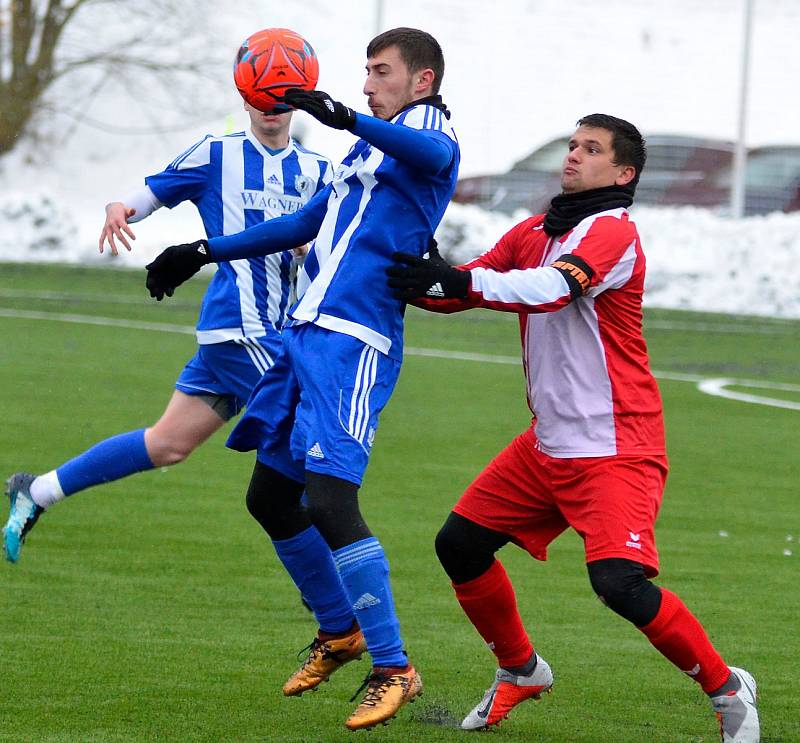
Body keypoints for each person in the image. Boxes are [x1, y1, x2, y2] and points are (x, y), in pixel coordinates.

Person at [386, 114, 759, 742]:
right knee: (459, 546)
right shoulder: (534, 230)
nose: (574, 157)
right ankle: (521, 670)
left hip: (617, 445)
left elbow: (555, 289)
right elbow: (466, 289)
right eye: (572, 146)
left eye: (592, 150)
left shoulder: (613, 234)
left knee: (618, 583)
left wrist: (460, 279)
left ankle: (729, 693)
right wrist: (405, 275)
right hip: (546, 444)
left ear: (623, 173)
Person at [144, 27, 460, 730]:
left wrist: (344, 115)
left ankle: (393, 665)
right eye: (365, 73)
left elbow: (438, 154)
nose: (367, 83)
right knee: (271, 494)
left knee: (330, 499)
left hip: (354, 340)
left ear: (422, 82)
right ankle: (339, 629)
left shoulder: (428, 128)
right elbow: (301, 223)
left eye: (381, 72)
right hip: (305, 333)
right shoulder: (367, 148)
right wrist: (201, 248)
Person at [2, 99, 332, 565]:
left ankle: (36, 491)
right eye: (259, 98)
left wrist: (309, 248)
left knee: (167, 444)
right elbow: (151, 192)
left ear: (295, 103)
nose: (269, 109)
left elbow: (336, 240)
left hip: (275, 330)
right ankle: (333, 588)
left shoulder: (320, 170)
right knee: (308, 431)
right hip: (240, 329)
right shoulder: (217, 153)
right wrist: (120, 208)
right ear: (243, 98)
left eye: (279, 99)